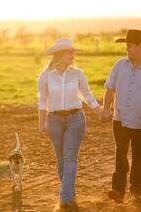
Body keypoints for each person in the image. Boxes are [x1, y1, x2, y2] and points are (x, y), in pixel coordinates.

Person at [37, 39, 102, 209]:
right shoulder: (45, 77)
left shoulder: (78, 74)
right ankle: (69, 192)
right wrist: (41, 123)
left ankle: (64, 199)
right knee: (61, 160)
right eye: (69, 52)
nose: (73, 56)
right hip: (54, 120)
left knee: (70, 157)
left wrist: (98, 109)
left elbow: (87, 95)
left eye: (73, 52)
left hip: (75, 119)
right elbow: (42, 101)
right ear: (59, 55)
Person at [102, 29, 141, 203]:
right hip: (120, 119)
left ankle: (136, 189)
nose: (126, 49)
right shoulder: (119, 65)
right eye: (126, 46)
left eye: (129, 46)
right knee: (120, 153)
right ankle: (118, 190)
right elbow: (109, 89)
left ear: (140, 46)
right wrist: (106, 108)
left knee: (139, 155)